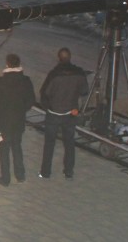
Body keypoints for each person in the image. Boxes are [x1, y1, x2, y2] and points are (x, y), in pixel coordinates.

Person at [39, 46, 90, 179]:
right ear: (70, 57)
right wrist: (77, 106)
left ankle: (45, 172)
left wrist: (48, 107)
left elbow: (44, 93)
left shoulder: (54, 74)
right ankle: (68, 171)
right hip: (70, 113)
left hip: (54, 113)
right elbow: (85, 91)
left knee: (49, 143)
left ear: (59, 58)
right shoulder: (79, 74)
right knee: (69, 143)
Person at [0, 52, 36, 185]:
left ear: (7, 64)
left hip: (3, 123)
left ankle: (5, 178)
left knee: (3, 149)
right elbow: (30, 100)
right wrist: (21, 110)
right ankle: (20, 175)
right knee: (17, 146)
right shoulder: (26, 81)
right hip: (18, 121)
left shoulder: (1, 82)